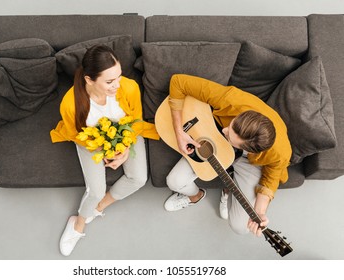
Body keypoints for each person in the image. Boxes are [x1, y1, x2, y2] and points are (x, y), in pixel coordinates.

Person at [50, 45, 159, 256]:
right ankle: (79, 221)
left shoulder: (129, 88)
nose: (117, 85)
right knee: (96, 189)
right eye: (109, 82)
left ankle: (99, 207)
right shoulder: (70, 104)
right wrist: (104, 148)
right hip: (90, 138)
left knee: (138, 179)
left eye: (118, 77)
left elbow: (135, 120)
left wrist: (125, 148)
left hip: (124, 132)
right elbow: (75, 134)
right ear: (89, 80)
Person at [163, 74, 291, 237]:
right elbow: (178, 81)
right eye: (230, 126)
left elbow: (271, 179)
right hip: (215, 143)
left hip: (248, 163)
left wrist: (260, 211)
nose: (225, 130)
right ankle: (196, 196)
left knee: (241, 227)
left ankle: (228, 190)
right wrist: (179, 131)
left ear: (251, 150)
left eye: (229, 135)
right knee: (174, 181)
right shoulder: (231, 100)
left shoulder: (280, 153)